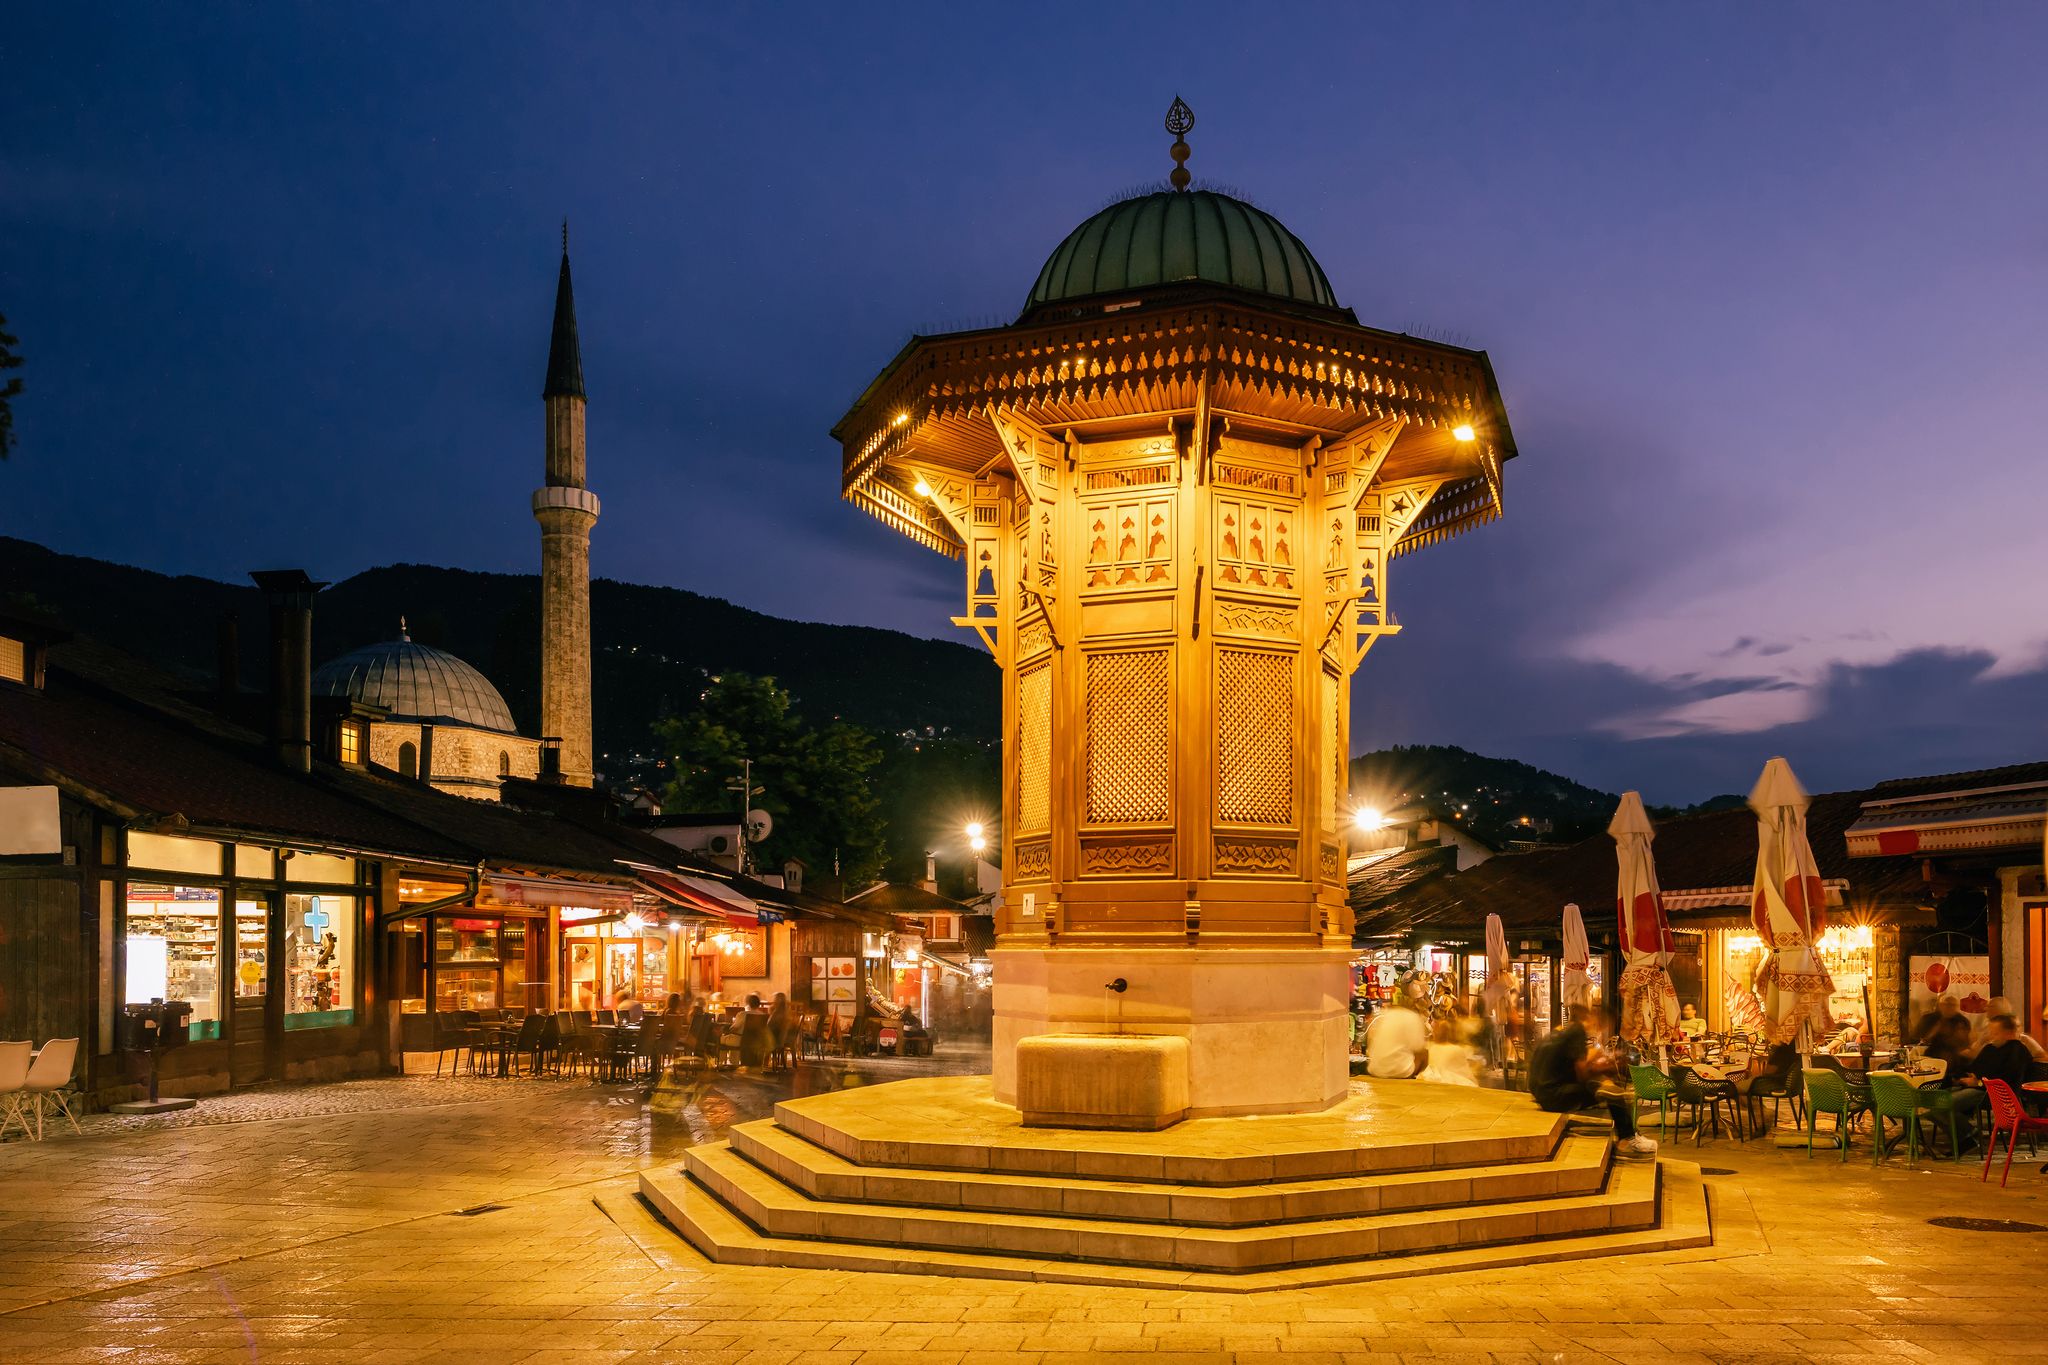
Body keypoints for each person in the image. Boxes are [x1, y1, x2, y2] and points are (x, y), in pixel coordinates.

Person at [1528, 1006, 1657, 1158]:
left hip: (1544, 1095)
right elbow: (1582, 1071)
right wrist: (1607, 1068)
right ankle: (1628, 1138)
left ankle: (1629, 1135)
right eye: (1604, 1024)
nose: (1602, 1029)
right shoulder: (1577, 1032)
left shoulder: (1562, 1033)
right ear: (1593, 1019)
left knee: (1605, 1084)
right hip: (1554, 1096)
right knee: (1611, 1091)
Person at [1364, 993, 1429, 1079]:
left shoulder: (1383, 1015)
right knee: (1424, 1052)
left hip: (1375, 1069)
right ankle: (1415, 1079)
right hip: (1400, 1071)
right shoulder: (1411, 1017)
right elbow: (1418, 1047)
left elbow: (1370, 1043)